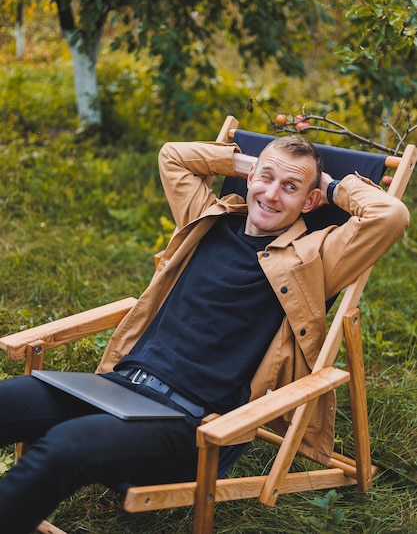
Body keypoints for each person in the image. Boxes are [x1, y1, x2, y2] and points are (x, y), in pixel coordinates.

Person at [0, 135, 409, 534]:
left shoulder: (315, 258)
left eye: (291, 188)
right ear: (249, 179)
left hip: (189, 424)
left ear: (310, 201)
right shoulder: (207, 219)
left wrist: (333, 186)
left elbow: (389, 216)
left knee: (66, 444)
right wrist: (252, 167)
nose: (271, 194)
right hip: (116, 387)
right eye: (265, 179)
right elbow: (173, 156)